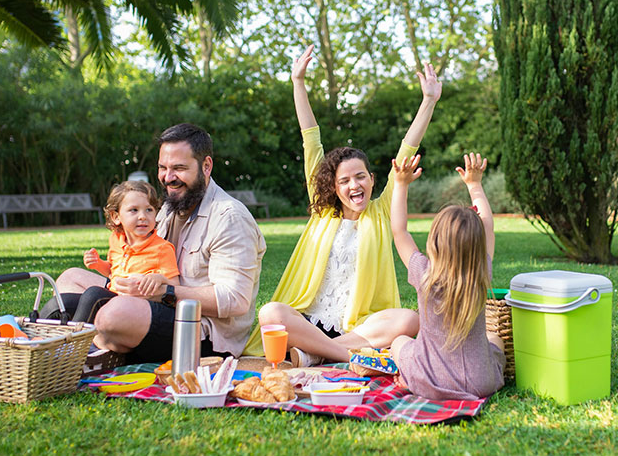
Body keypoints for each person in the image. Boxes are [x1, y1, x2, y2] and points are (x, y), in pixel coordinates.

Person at [242, 44, 441, 366]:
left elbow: (407, 149)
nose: (354, 185)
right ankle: (345, 356)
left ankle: (312, 355)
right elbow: (311, 139)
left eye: (360, 177)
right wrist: (298, 82)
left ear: (373, 179)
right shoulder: (323, 211)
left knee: (408, 320)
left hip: (358, 327)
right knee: (271, 312)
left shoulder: (381, 212)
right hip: (307, 320)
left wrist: (429, 101)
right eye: (344, 181)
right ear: (333, 187)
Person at [43, 123, 266, 365]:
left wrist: (166, 293)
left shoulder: (229, 217)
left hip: (200, 332)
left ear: (206, 166)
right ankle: (60, 344)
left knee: (112, 315)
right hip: (150, 301)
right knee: (69, 279)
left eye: (179, 168)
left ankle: (84, 352)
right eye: (163, 168)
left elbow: (235, 300)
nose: (168, 178)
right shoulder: (170, 206)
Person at [389, 152, 505, 400]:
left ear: (435, 242)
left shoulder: (424, 274)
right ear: (477, 245)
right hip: (479, 382)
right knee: (495, 338)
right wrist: (474, 185)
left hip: (428, 380)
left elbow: (399, 232)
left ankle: (407, 379)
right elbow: (487, 225)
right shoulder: (480, 271)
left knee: (399, 342)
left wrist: (400, 185)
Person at [69, 180, 181, 323]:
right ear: (116, 217)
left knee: (93, 294)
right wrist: (98, 264)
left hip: (137, 307)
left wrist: (159, 279)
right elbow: (112, 271)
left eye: (149, 210)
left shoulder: (162, 248)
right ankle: (38, 339)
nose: (143, 216)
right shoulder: (116, 239)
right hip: (114, 296)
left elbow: (175, 285)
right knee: (65, 301)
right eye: (134, 210)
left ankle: (73, 343)